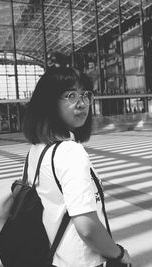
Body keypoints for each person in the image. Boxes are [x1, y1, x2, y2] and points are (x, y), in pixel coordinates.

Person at [23, 66, 132, 267]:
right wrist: (119, 254)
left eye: (85, 95)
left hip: (58, 259)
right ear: (49, 103)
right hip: (84, 261)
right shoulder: (70, 152)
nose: (81, 103)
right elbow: (87, 227)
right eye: (70, 95)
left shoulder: (37, 150)